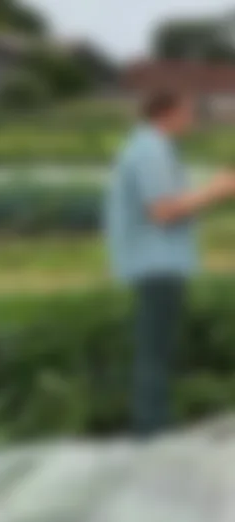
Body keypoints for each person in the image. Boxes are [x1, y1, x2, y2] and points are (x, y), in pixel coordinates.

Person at [105, 90, 235, 436]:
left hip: (156, 262)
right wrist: (217, 189)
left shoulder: (150, 147)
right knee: (155, 350)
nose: (191, 121)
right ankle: (152, 432)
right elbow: (163, 210)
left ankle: (154, 426)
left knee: (157, 348)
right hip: (155, 264)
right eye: (187, 113)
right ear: (169, 113)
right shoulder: (151, 149)